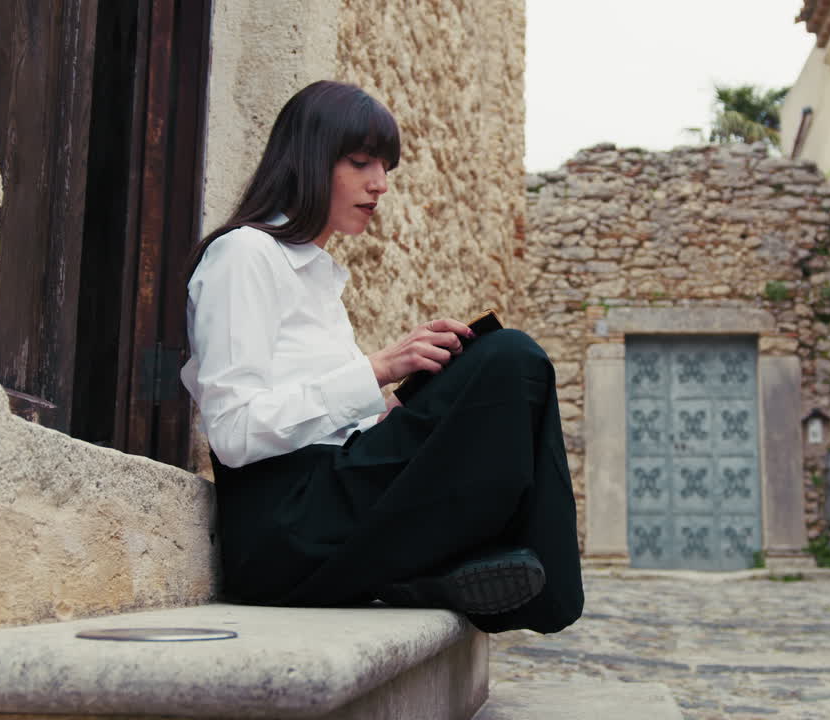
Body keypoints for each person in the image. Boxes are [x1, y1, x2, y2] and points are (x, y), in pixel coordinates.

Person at [180, 80, 583, 634]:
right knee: (511, 358)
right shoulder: (243, 254)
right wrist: (377, 369)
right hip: (282, 530)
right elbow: (233, 432)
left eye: (385, 168)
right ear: (308, 159)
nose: (380, 184)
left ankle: (440, 572)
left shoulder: (318, 279)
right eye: (361, 163)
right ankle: (460, 569)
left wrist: (398, 407)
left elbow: (329, 422)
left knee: (489, 361)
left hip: (326, 500)